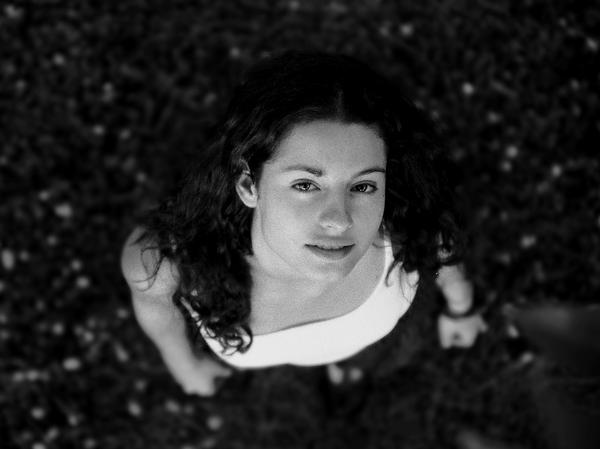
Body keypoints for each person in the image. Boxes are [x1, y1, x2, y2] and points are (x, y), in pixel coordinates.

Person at [120, 51, 487, 397]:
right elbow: (156, 309)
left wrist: (461, 308)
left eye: (363, 186)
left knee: (383, 358)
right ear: (248, 185)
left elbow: (439, 247)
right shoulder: (165, 261)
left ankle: (350, 369)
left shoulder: (406, 220)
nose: (339, 221)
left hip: (376, 343)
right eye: (306, 185)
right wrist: (183, 364)